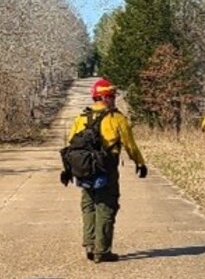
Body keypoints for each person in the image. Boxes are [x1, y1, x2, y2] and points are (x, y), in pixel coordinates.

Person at [61, 79, 145, 262]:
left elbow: (70, 145)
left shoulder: (81, 118)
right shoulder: (117, 118)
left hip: (83, 169)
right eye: (112, 96)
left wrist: (68, 170)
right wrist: (140, 163)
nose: (114, 99)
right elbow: (130, 145)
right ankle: (102, 250)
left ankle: (89, 244)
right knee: (106, 206)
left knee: (88, 204)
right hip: (106, 167)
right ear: (105, 97)